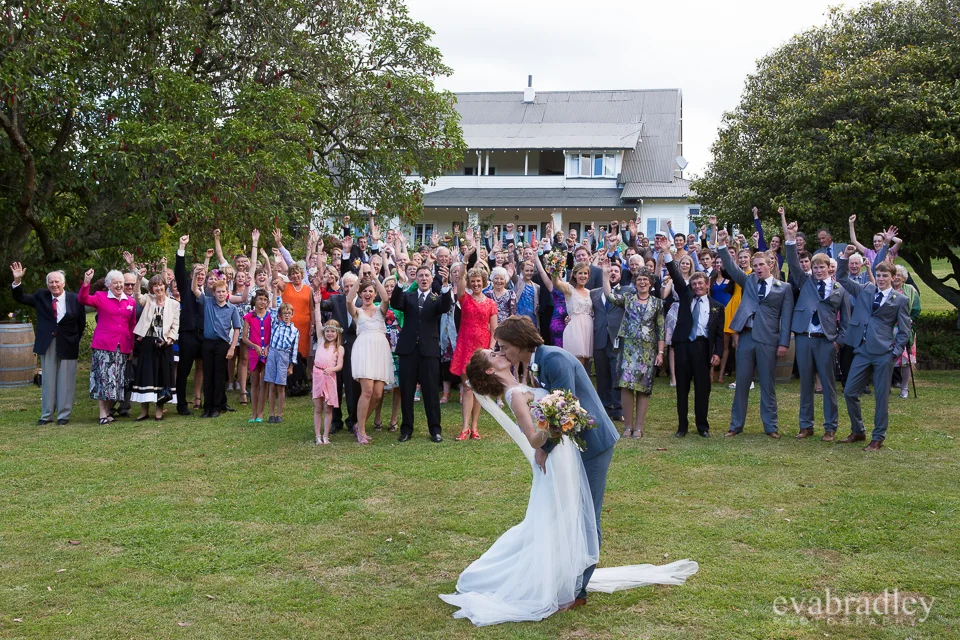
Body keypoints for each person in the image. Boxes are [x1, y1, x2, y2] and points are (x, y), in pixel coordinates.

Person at [441, 346, 698, 626]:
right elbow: (532, 438)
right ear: (491, 370)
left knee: (563, 517)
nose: (499, 352)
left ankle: (566, 578)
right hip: (556, 459)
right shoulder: (514, 396)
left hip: (565, 455)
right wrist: (554, 427)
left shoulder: (521, 385)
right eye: (493, 354)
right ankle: (548, 580)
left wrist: (558, 420)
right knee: (558, 518)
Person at [714, 217, 794, 438]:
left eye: (762, 265)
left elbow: (786, 318)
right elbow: (730, 265)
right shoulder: (747, 281)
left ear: (770, 265)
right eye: (755, 265)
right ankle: (736, 425)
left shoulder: (783, 288)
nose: (758, 268)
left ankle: (771, 427)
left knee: (768, 385)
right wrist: (722, 245)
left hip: (769, 340)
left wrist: (783, 343)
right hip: (746, 337)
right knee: (742, 384)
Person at [836, 236, 911, 451]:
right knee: (850, 392)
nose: (880, 278)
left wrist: (894, 352)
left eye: (885, 275)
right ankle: (858, 431)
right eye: (878, 275)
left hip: (883, 353)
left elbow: (904, 331)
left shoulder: (900, 300)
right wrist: (844, 256)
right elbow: (841, 276)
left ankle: (878, 437)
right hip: (862, 350)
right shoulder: (866, 289)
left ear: (893, 277)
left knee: (881, 398)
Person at [783, 216, 851, 441]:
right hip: (804, 337)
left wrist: (838, 341)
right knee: (805, 385)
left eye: (822, 267)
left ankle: (830, 427)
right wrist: (791, 239)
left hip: (826, 340)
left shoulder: (839, 289)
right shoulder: (805, 281)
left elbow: (847, 321)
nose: (818, 270)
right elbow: (793, 263)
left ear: (830, 269)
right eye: (815, 267)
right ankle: (806, 425)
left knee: (829, 385)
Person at [10, 263, 87, 426]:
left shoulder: (75, 299)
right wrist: (17, 281)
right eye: (51, 282)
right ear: (47, 284)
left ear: (64, 283)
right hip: (48, 343)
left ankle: (64, 415)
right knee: (48, 380)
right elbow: (21, 297)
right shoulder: (41, 296)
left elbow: (81, 322)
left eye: (57, 281)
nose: (54, 284)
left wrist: (74, 338)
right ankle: (47, 415)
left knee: (66, 380)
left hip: (68, 343)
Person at [391, 263, 453, 443]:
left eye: (427, 276)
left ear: (431, 279)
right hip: (408, 350)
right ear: (416, 279)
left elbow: (446, 306)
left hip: (429, 351)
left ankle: (435, 430)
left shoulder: (436, 299)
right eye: (420, 276)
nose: (424, 279)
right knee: (407, 390)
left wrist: (446, 284)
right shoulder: (407, 296)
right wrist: (400, 283)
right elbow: (395, 303)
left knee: (431, 392)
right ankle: (406, 429)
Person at [664, 254, 724, 438]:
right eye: (694, 284)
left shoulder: (717, 307)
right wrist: (667, 253)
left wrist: (718, 353)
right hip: (683, 347)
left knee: (702, 389)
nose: (697, 286)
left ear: (707, 285)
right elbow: (675, 274)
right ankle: (682, 427)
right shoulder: (685, 296)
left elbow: (720, 335)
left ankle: (702, 426)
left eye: (701, 284)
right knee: (682, 388)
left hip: (702, 348)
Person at [602, 266, 664, 439]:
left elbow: (661, 329)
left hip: (648, 350)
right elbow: (610, 296)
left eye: (645, 279)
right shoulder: (628, 299)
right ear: (635, 283)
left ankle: (639, 427)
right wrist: (605, 276)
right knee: (626, 386)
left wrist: (660, 352)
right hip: (628, 348)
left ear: (650, 283)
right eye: (639, 280)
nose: (642, 282)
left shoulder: (657, 303)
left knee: (643, 388)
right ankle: (628, 427)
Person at [77, 268, 136, 424]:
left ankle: (109, 411)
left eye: (121, 282)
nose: (119, 285)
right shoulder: (100, 297)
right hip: (104, 346)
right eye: (115, 282)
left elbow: (132, 325)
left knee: (117, 380)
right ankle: (103, 413)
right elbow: (83, 299)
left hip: (122, 346)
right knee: (104, 379)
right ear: (109, 285)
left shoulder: (130, 302)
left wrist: (131, 347)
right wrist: (87, 282)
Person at [345, 268, 395, 444]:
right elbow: (349, 300)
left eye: (370, 291)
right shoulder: (357, 311)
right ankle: (361, 431)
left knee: (378, 393)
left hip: (380, 351)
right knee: (367, 391)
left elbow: (387, 298)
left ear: (374, 294)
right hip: (364, 351)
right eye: (364, 291)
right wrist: (359, 279)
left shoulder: (381, 309)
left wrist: (374, 278)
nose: (367, 294)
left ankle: (360, 424)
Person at [450, 259, 497, 441]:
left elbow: (494, 329)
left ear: (484, 282)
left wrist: (490, 349)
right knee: (467, 388)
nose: (476, 284)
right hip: (465, 346)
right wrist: (465, 260)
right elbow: (460, 277)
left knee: (478, 388)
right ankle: (464, 428)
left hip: (482, 349)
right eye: (473, 281)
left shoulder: (491, 303)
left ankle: (475, 427)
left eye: (479, 281)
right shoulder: (464, 298)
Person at [192, 269, 242, 419]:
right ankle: (207, 407)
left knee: (219, 376)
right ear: (213, 293)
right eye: (218, 292)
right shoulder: (207, 302)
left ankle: (216, 407)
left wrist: (232, 347)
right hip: (207, 343)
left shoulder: (232, 309)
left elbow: (237, 328)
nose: (220, 294)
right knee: (208, 375)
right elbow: (194, 289)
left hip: (222, 344)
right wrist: (195, 275)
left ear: (227, 293)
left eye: (223, 292)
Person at [130, 274, 181, 421]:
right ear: (151, 288)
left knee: (162, 376)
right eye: (155, 286)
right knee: (146, 376)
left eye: (160, 285)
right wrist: (139, 279)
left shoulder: (174, 304)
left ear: (165, 286)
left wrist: (169, 340)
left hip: (164, 345)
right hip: (148, 343)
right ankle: (144, 411)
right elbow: (137, 296)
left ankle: (159, 409)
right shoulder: (148, 300)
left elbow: (175, 325)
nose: (158, 288)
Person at [590, 261, 634, 422]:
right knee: (602, 376)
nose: (612, 273)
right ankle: (604, 407)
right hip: (600, 338)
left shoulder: (627, 291)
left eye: (616, 271)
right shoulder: (594, 293)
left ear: (620, 275)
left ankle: (618, 409)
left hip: (617, 338)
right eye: (610, 270)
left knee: (617, 375)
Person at [321, 272, 360, 434]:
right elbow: (321, 304)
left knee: (353, 388)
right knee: (334, 386)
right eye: (346, 286)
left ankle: (353, 421)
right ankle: (335, 421)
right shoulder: (335, 299)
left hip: (355, 350)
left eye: (352, 286)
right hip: (335, 351)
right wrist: (318, 287)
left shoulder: (364, 300)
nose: (349, 289)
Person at [552, 261, 595, 369]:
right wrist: (556, 267)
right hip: (575, 328)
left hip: (588, 329)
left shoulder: (590, 292)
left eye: (585, 273)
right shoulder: (569, 289)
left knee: (585, 364)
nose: (583, 276)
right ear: (574, 275)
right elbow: (556, 282)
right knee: (577, 362)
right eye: (580, 273)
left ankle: (581, 386)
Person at [242, 289, 272, 423]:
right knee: (254, 382)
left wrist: (267, 347)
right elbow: (244, 338)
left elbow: (273, 336)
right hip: (254, 353)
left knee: (264, 383)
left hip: (267, 353)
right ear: (255, 300)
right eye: (260, 299)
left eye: (265, 300)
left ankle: (261, 412)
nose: (262, 302)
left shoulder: (270, 316)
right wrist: (255, 346)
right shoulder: (249, 316)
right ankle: (253, 413)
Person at [313, 320, 344, 445]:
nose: (330, 334)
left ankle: (326, 435)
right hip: (318, 376)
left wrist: (332, 369)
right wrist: (318, 304)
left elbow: (340, 365)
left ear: (337, 333)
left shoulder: (339, 348)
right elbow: (318, 320)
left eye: (333, 331)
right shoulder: (321, 341)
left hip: (330, 377)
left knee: (328, 408)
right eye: (327, 331)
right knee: (318, 407)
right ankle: (317, 435)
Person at [892, 264, 921, 400]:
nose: (896, 277)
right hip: (888, 330)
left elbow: (916, 310)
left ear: (904, 278)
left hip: (906, 330)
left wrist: (910, 320)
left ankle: (904, 387)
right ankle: (884, 387)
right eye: (894, 274)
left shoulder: (910, 290)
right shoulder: (887, 290)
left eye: (899, 275)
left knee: (906, 360)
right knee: (886, 358)